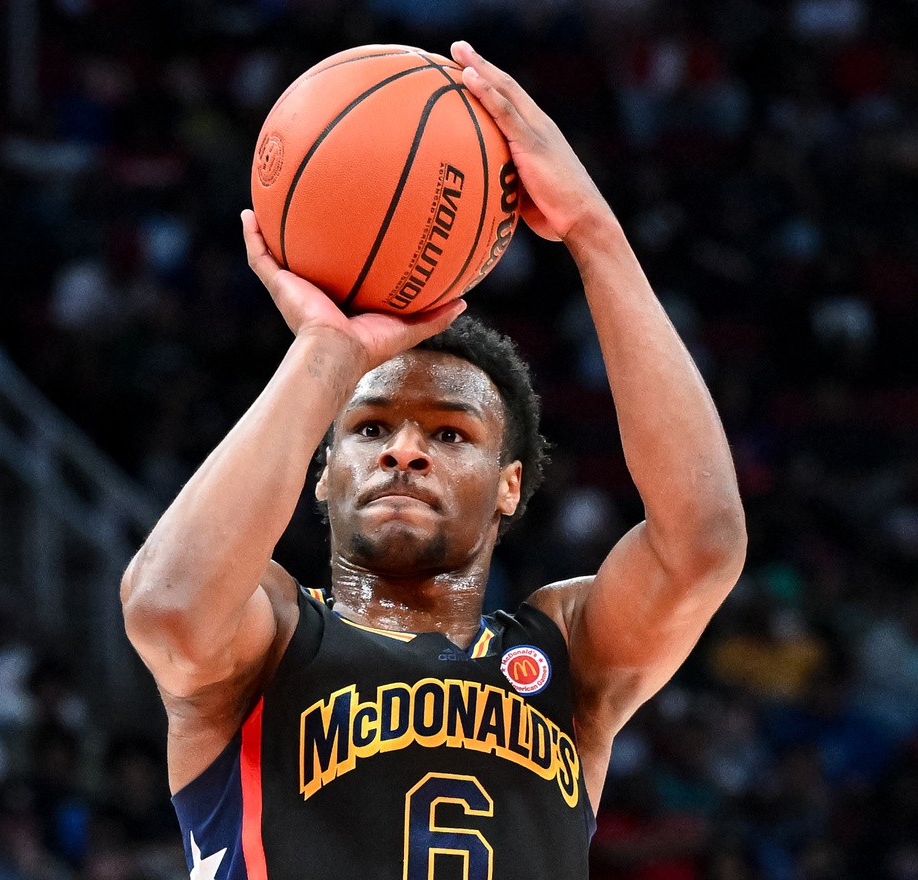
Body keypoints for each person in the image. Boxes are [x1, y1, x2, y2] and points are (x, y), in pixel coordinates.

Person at [121, 41, 747, 880]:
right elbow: (165, 606)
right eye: (370, 428)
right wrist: (326, 354)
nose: (404, 451)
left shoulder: (567, 658)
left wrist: (594, 233)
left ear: (508, 487)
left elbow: (702, 542)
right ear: (322, 469)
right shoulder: (268, 638)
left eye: (450, 435)